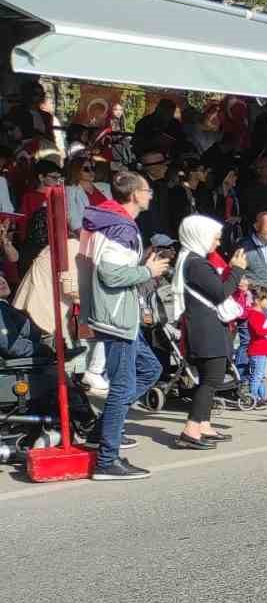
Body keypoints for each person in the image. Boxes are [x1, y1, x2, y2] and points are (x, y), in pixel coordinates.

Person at [83, 171, 171, 479]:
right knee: (122, 386)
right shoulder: (120, 227)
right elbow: (112, 274)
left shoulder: (114, 222)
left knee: (149, 369)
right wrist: (148, 271)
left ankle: (101, 429)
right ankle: (108, 459)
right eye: (147, 190)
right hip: (118, 314)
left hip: (121, 312)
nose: (151, 195)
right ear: (134, 194)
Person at [172, 215, 248, 449]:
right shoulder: (196, 263)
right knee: (211, 380)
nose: (217, 243)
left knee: (209, 379)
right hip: (206, 329)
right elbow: (220, 292)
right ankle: (191, 429)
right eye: (215, 238)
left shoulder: (193, 259)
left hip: (206, 327)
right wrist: (236, 271)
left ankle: (203, 424)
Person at [243, 284, 267, 407]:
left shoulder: (261, 314)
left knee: (263, 376)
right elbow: (259, 331)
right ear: (258, 301)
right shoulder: (254, 314)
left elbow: (264, 331)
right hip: (257, 351)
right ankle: (253, 398)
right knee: (257, 376)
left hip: (263, 350)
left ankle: (263, 397)